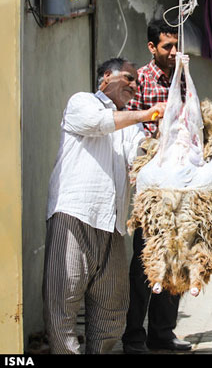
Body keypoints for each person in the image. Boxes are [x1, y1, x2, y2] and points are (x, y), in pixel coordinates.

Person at [42, 58, 166, 354]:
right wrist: (146, 114)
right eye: (128, 78)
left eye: (137, 81)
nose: (134, 86)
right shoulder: (82, 102)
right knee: (63, 301)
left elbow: (140, 158)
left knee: (111, 308)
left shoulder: (130, 125)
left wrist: (166, 138)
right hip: (74, 215)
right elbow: (98, 124)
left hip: (112, 225)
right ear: (106, 78)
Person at [121, 19, 191, 353]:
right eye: (167, 46)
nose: (174, 52)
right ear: (152, 47)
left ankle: (162, 332)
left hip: (180, 180)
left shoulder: (183, 78)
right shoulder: (142, 80)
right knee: (145, 258)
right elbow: (131, 130)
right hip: (151, 184)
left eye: (177, 45)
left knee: (177, 254)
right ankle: (134, 333)